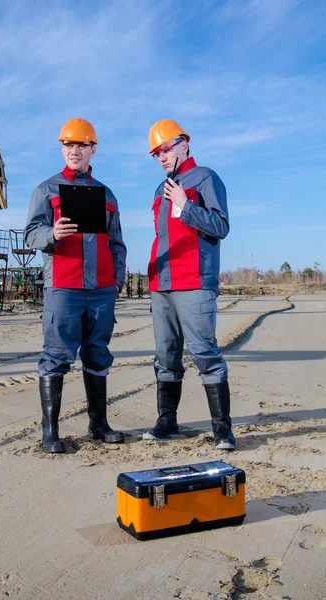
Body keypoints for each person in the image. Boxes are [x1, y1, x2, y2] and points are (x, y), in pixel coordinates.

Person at [24, 118, 126, 453]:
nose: (74, 151)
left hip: (101, 290)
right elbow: (30, 234)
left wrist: (116, 282)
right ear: (62, 148)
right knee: (56, 357)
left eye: (81, 145)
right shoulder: (47, 190)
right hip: (63, 288)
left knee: (97, 354)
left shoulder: (106, 194)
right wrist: (51, 235)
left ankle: (99, 424)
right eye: (68, 145)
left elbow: (117, 244)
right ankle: (50, 432)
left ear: (92, 149)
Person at [143, 119, 235, 450]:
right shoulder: (160, 190)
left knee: (204, 353)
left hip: (194, 280)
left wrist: (186, 206)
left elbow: (221, 226)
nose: (161, 157)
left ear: (183, 143)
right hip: (161, 283)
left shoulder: (206, 178)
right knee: (165, 355)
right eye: (156, 154)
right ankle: (167, 422)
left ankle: (222, 428)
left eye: (165, 149)